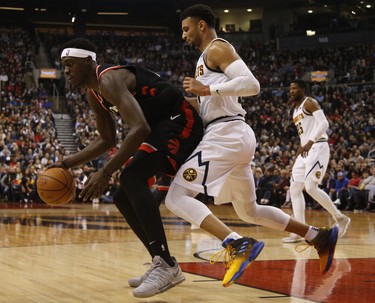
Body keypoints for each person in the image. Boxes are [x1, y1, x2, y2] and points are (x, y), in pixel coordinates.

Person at [162, 3, 338, 288]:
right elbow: (210, 103)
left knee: (175, 197)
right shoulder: (205, 59)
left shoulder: (216, 48)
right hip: (232, 133)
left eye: (186, 28)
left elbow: (252, 85)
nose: (183, 35)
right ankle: (318, 236)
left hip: (227, 134)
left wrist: (206, 89)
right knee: (249, 211)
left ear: (202, 25)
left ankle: (236, 245)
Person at [56, 38, 204, 298]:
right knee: (122, 195)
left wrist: (105, 172)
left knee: (131, 176)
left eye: (70, 64)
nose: (66, 70)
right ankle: (163, 262)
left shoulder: (108, 80)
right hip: (160, 126)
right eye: (63, 66)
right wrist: (66, 163)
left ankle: (166, 265)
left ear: (89, 63)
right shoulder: (94, 94)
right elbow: (107, 140)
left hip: (181, 119)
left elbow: (140, 128)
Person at [283, 80, 351, 243]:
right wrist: (304, 144)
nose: (291, 91)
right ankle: (300, 230)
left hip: (317, 146)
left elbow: (324, 123)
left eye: (295, 88)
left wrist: (310, 141)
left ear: (303, 89)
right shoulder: (294, 110)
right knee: (294, 189)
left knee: (311, 187)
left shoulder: (310, 102)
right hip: (305, 151)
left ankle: (340, 217)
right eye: (290, 88)